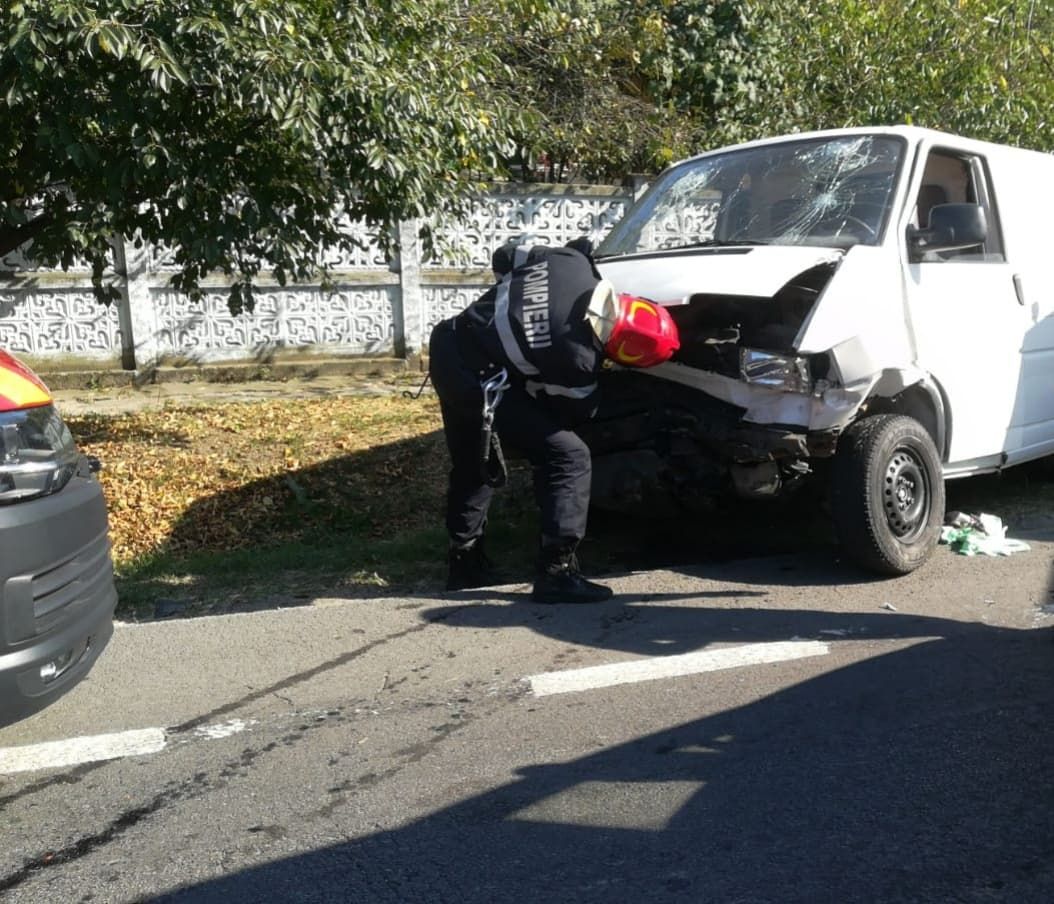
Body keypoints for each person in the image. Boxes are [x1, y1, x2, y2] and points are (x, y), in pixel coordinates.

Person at [428, 237, 679, 603]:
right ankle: (556, 572)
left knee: (474, 460)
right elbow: (574, 415)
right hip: (479, 380)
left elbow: (505, 255)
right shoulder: (577, 361)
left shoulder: (571, 262)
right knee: (568, 455)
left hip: (449, 343)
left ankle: (464, 566)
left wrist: (517, 305)